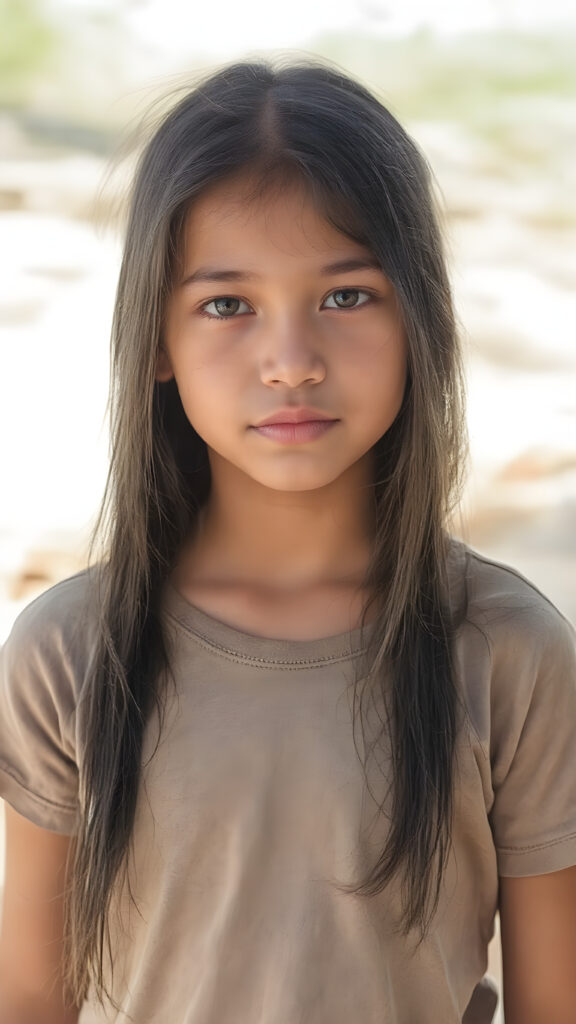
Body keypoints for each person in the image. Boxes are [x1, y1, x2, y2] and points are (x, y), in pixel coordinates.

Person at [0, 60, 575, 1024]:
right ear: (156, 342)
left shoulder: (509, 653)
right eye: (228, 305)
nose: (293, 362)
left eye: (347, 296)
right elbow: (27, 992)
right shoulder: (68, 654)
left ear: (419, 318)